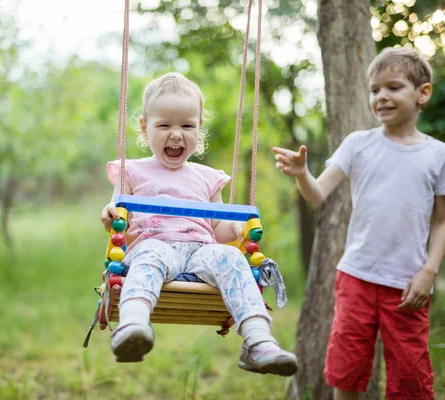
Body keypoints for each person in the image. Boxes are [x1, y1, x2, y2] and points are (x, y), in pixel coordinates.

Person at [272, 47, 445, 400]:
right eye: (374, 89)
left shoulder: (437, 154)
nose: (381, 96)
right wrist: (303, 173)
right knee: (347, 373)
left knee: (411, 379)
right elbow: (318, 193)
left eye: (393, 87)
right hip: (356, 278)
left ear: (422, 93)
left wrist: (429, 271)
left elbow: (441, 221)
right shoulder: (358, 144)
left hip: (408, 285)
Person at [100, 72, 298, 376]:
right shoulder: (133, 170)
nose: (177, 134)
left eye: (187, 125)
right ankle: (133, 327)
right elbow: (117, 212)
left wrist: (237, 230)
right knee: (151, 253)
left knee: (232, 257)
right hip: (155, 247)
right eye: (165, 125)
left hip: (200, 252)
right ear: (145, 127)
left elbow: (218, 228)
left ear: (199, 128)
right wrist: (110, 214)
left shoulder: (207, 177)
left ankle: (259, 341)